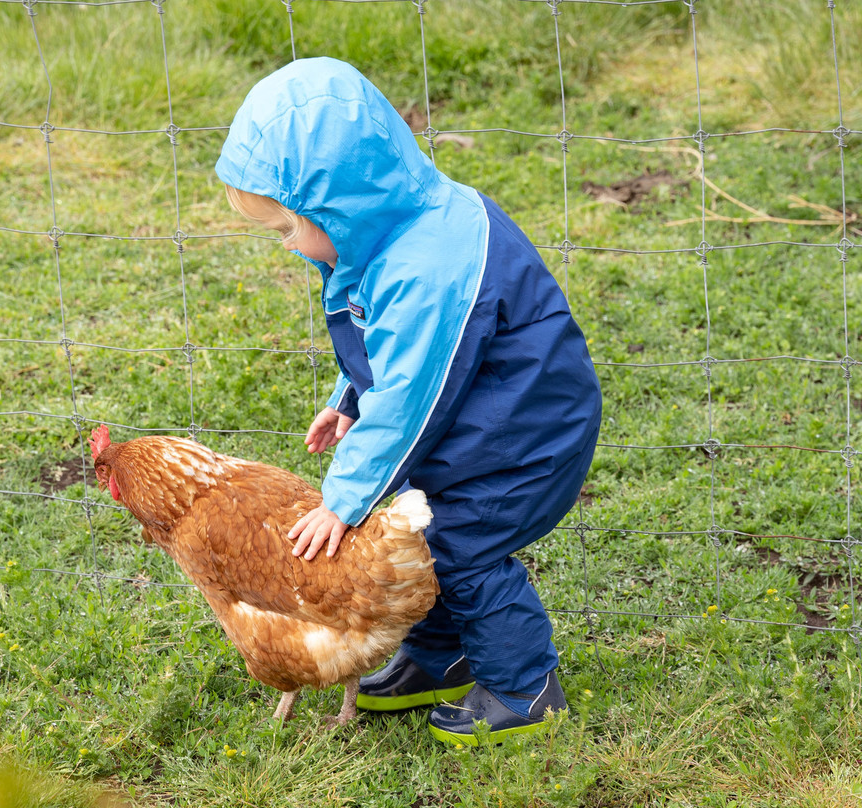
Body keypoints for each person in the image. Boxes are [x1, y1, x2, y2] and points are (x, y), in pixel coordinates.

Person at [215, 57, 601, 746]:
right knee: (427, 537)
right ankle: (442, 658)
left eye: (287, 229)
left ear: (337, 205)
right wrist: (348, 400)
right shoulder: (385, 236)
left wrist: (343, 499)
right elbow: (386, 353)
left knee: (462, 545)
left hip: (527, 435)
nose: (290, 246)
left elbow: (410, 398)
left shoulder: (429, 266)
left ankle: (524, 687)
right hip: (485, 416)